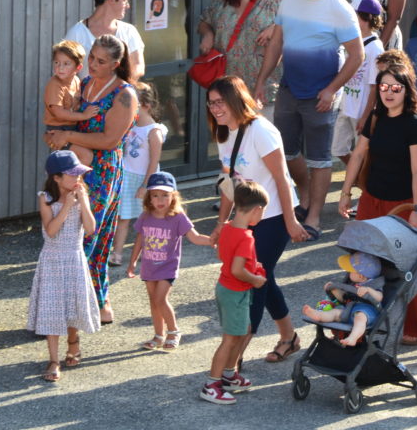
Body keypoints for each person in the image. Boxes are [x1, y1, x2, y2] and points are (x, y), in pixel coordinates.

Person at [255, 0, 363, 237]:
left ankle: (313, 215)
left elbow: (357, 56)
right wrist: (261, 81)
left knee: (319, 159)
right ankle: (304, 193)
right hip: (289, 89)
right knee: (286, 152)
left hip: (321, 97)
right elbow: (276, 43)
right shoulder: (289, 1)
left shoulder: (339, 9)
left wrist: (331, 90)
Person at [208, 76, 310, 364]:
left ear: (237, 100)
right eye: (211, 103)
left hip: (274, 215)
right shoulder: (223, 133)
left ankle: (235, 354)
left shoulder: (261, 130)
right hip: (248, 217)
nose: (215, 108)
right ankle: (289, 337)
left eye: (221, 102)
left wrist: (291, 221)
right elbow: (229, 180)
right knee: (263, 276)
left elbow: (282, 178)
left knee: (251, 279)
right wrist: (221, 222)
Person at [337, 65, 417, 344]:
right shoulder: (375, 117)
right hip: (373, 200)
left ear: (407, 91)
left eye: (396, 88)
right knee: (361, 262)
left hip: (405, 205)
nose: (389, 93)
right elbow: (358, 155)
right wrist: (345, 192)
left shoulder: (415, 124)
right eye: (384, 87)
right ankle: (353, 321)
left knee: (411, 269)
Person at [44, 35, 138, 325]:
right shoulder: (84, 84)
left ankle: (78, 307)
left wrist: (68, 136)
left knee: (90, 237)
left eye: (100, 61)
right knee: (76, 234)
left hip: (103, 171)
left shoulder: (125, 94)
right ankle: (94, 305)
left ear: (116, 64)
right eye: (92, 58)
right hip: (76, 168)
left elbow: (110, 141)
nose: (92, 65)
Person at [27, 151, 100, 383]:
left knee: (73, 304)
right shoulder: (45, 197)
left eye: (80, 174)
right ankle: (53, 359)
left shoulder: (81, 194)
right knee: (52, 308)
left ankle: (73, 344)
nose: (78, 178)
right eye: (72, 174)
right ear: (57, 178)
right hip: (52, 260)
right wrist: (67, 206)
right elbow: (51, 231)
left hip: (74, 258)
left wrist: (83, 204)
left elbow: (90, 229)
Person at [201, 180, 269, 405]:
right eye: (263, 212)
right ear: (256, 209)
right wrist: (256, 279)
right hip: (235, 291)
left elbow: (222, 255)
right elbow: (237, 270)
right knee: (230, 339)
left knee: (244, 330)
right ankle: (212, 384)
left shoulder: (228, 227)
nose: (261, 217)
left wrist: (250, 267)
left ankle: (229, 375)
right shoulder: (246, 238)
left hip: (227, 288)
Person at [125, 171, 211, 351]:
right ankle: (158, 335)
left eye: (165, 195)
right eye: (155, 195)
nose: (160, 199)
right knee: (153, 301)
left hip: (167, 267)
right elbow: (140, 239)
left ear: (173, 196)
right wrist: (133, 261)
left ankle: (173, 331)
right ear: (149, 197)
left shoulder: (178, 217)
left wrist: (213, 240)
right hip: (148, 267)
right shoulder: (145, 216)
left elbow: (195, 237)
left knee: (160, 299)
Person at [198, 0, 284, 116]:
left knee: (263, 139)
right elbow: (204, 21)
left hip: (263, 89)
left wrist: (275, 27)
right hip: (229, 89)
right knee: (230, 139)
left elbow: (295, 23)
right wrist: (208, 34)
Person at [111, 82, 166, 267]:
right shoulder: (131, 125)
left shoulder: (154, 131)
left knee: (148, 219)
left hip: (146, 180)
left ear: (146, 106)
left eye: (134, 104)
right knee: (123, 217)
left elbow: (154, 162)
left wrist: (145, 185)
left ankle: (149, 251)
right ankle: (117, 253)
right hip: (127, 176)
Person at [332, 0, 385, 166]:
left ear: (365, 17)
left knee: (363, 153)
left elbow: (375, 85)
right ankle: (356, 178)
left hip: (361, 110)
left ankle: (363, 183)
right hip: (345, 106)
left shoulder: (375, 47)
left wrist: (366, 116)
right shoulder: (352, 40)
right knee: (337, 148)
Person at [64, 0, 146, 82]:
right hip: (88, 96)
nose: (128, 6)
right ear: (111, 0)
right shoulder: (76, 34)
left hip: (121, 94)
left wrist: (117, 88)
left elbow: (138, 66)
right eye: (124, 0)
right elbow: (65, 73)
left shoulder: (129, 31)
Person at [301, 251, 385, 347]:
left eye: (350, 271)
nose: (348, 273)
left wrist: (369, 290)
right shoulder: (353, 284)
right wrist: (333, 289)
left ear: (361, 275)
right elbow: (343, 298)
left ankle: (353, 337)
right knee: (335, 312)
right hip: (350, 309)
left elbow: (379, 297)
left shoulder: (373, 284)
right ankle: (319, 315)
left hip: (368, 312)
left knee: (360, 317)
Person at [43, 40, 99, 167]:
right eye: (57, 63)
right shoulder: (54, 85)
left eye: (66, 64)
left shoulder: (76, 81)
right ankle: (74, 183)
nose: (60, 67)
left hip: (72, 128)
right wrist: (84, 116)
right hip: (58, 129)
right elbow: (59, 113)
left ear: (78, 67)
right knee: (86, 156)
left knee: (80, 156)